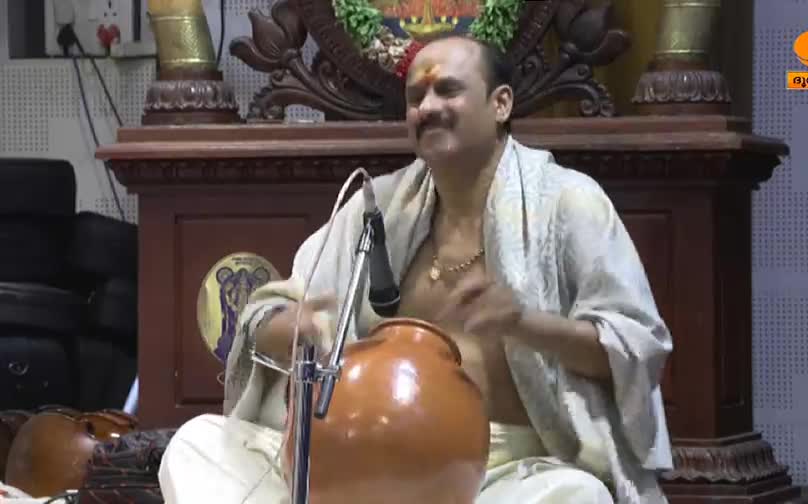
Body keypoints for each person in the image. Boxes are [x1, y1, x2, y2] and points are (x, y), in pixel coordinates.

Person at [158, 34, 673, 503]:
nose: (428, 107)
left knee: (577, 497)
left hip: (497, 472)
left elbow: (637, 348)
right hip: (356, 459)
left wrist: (525, 324)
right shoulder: (375, 207)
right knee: (198, 444)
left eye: (447, 90)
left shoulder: (568, 203)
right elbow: (269, 308)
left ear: (501, 104)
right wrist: (292, 329)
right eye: (415, 98)